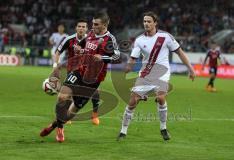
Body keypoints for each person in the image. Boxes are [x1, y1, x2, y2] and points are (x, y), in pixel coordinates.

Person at [40, 12, 120, 143]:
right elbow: (84, 45)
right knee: (62, 96)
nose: (92, 26)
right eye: (92, 23)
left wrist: (103, 57)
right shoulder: (91, 34)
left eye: (96, 24)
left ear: (105, 25)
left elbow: (117, 56)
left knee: (73, 110)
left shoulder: (109, 39)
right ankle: (60, 128)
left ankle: (54, 125)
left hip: (93, 80)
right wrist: (80, 50)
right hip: (79, 72)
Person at [117, 11, 196, 141]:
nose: (146, 24)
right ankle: (123, 131)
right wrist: (128, 68)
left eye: (149, 21)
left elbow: (180, 53)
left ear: (155, 23)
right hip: (146, 74)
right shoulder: (139, 40)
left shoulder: (165, 37)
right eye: (144, 21)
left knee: (160, 97)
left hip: (162, 72)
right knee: (132, 102)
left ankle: (163, 128)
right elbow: (133, 58)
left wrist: (191, 69)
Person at [52, 19, 101, 125]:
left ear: (87, 29)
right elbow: (58, 52)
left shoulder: (91, 41)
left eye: (84, 27)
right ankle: (67, 115)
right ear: (76, 28)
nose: (81, 29)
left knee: (96, 91)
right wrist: (55, 66)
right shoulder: (69, 39)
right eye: (79, 26)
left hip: (87, 71)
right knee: (68, 94)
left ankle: (95, 114)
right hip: (72, 70)